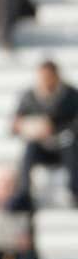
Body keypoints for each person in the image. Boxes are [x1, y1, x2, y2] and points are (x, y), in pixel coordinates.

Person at [12, 60, 78, 204]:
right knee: (29, 149)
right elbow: (15, 125)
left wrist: (54, 126)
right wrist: (28, 126)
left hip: (65, 145)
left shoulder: (71, 95)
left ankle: (75, 191)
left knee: (71, 145)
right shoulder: (29, 97)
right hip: (42, 146)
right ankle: (25, 193)